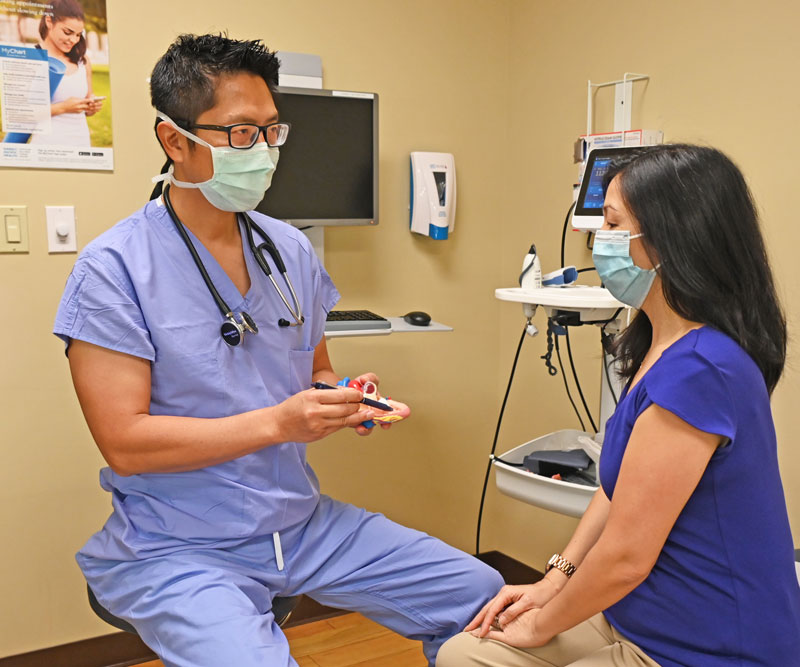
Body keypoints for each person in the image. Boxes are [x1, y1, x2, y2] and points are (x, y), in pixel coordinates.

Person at [54, 33, 502, 667]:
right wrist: (280, 422)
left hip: (300, 522)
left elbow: (313, 369)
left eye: (271, 132)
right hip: (178, 542)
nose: (262, 152)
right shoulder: (113, 269)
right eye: (240, 134)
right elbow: (124, 442)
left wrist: (336, 398)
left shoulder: (290, 250)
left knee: (484, 598)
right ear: (174, 140)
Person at [437, 144, 800, 667]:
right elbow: (617, 490)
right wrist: (555, 578)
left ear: (667, 239)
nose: (596, 239)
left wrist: (542, 622)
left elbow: (627, 557)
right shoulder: (657, 340)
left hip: (710, 646)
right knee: (463, 655)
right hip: (639, 613)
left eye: (611, 224)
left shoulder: (702, 368)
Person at [30, 0, 102, 146]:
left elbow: (88, 102)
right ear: (49, 21)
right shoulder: (33, 59)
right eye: (68, 32)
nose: (73, 40)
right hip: (47, 146)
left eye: (78, 35)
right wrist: (63, 107)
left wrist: (91, 107)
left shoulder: (83, 61)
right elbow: (24, 115)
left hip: (80, 143)